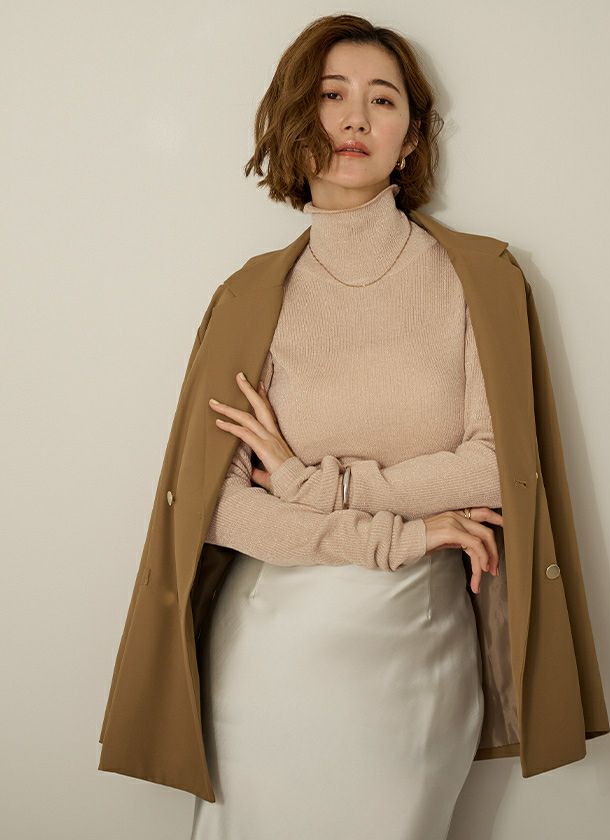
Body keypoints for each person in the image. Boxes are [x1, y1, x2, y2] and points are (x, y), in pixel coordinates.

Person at [190, 14, 504, 840]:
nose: (355, 118)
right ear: (298, 120)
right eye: (331, 96)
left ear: (412, 137)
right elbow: (217, 507)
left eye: (382, 99)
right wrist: (401, 534)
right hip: (270, 656)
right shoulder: (249, 296)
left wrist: (310, 483)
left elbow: (494, 467)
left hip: (418, 657)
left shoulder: (478, 279)